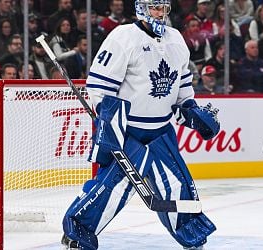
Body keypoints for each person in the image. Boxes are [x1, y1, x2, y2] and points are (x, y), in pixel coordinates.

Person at [60, 1, 219, 249]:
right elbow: (99, 88)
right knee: (111, 187)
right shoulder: (123, 37)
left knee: (177, 184)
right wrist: (110, 125)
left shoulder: (176, 40)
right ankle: (77, 232)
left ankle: (190, 233)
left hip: (161, 131)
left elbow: (182, 93)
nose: (160, 13)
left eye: (164, 7)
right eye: (155, 7)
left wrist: (191, 113)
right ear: (142, 8)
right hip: (127, 130)